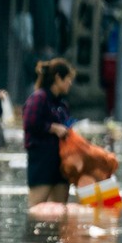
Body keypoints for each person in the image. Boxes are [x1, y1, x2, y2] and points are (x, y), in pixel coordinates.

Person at [22, 57, 74, 207]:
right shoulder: (39, 98)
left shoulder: (62, 104)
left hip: (61, 163)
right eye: (68, 79)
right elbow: (30, 123)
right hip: (41, 161)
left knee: (59, 209)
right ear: (58, 78)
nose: (70, 83)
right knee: (37, 207)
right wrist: (53, 128)